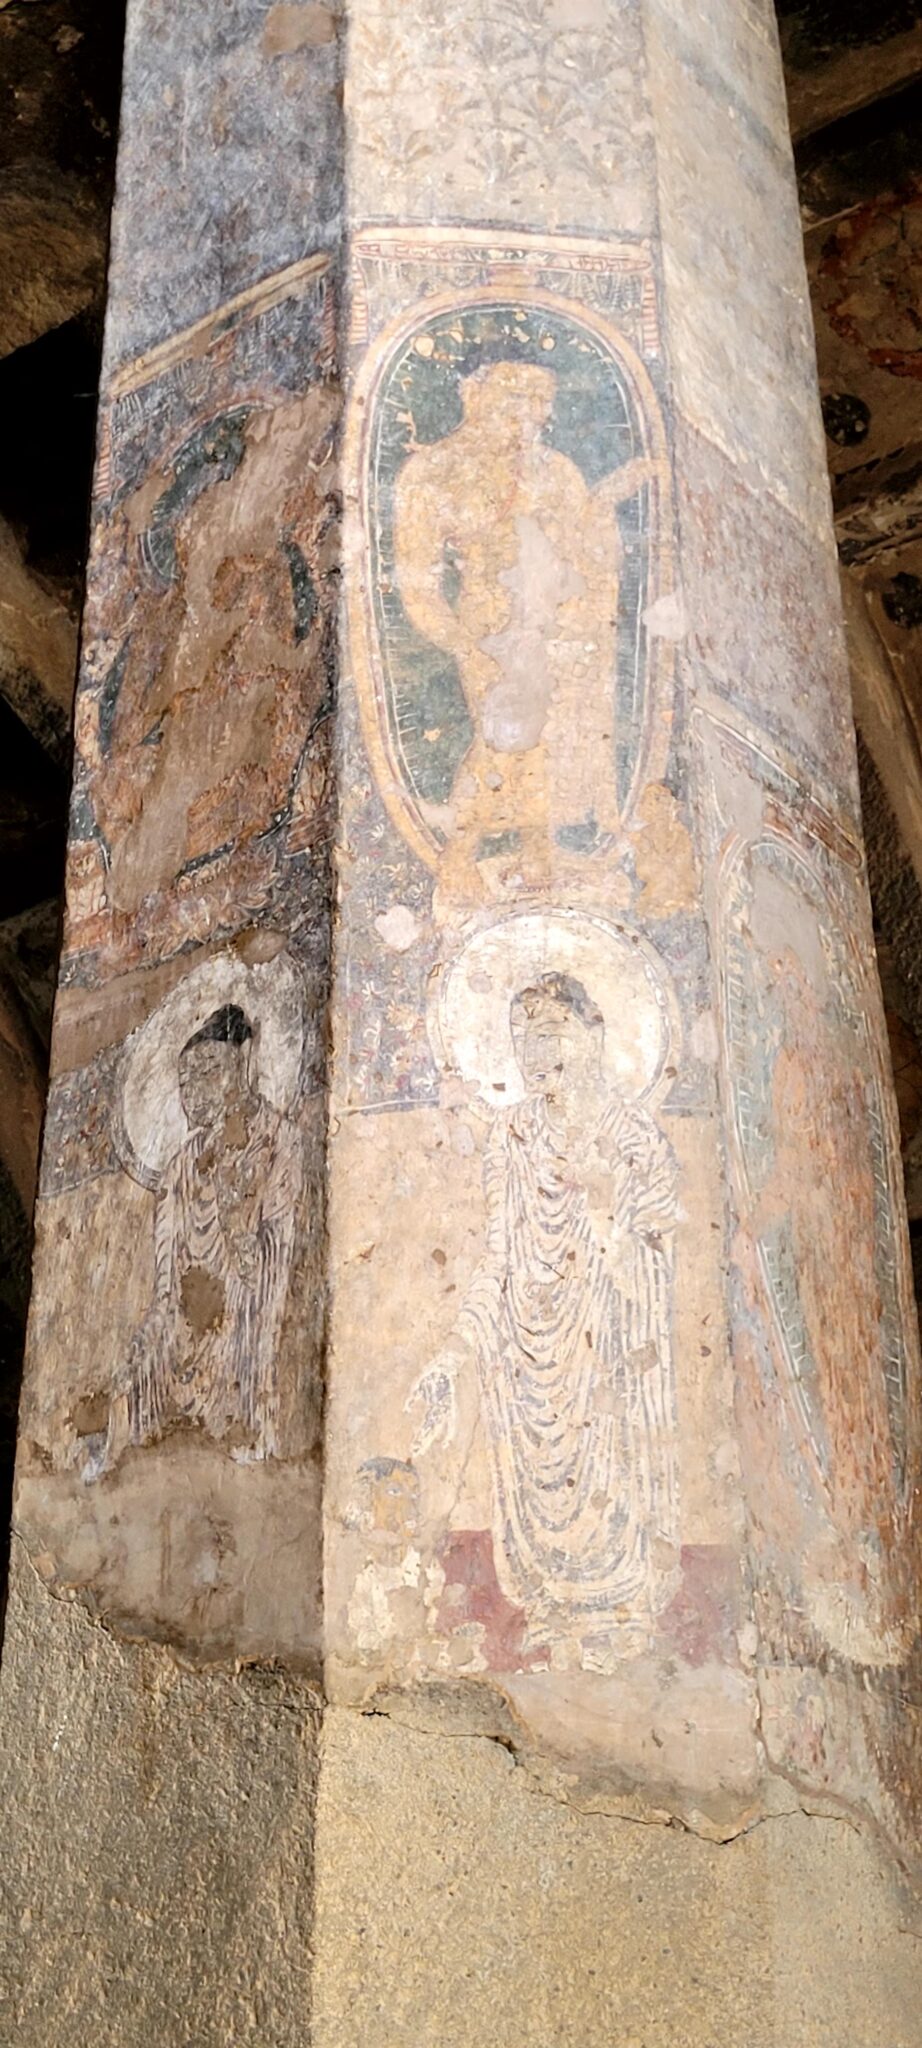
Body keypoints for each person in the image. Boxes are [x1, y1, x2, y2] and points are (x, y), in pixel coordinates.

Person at [407, 970, 678, 1661]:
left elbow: (656, 1252)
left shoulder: (632, 1134)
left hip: (610, 1350)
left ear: (592, 1038)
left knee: (607, 1478)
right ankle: (553, 1610)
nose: (532, 1052)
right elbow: (497, 1256)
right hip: (528, 1358)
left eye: (549, 1034)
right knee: (536, 1501)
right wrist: (454, 1353)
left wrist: (606, 1203)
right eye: (520, 1037)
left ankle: (619, 1617)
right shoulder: (513, 1134)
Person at [392, 361, 662, 897]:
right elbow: (418, 582)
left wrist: (605, 502)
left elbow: (581, 547)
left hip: (555, 622)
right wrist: (463, 646)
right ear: (482, 401)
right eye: (520, 403)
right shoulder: (434, 473)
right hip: (491, 625)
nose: (533, 419)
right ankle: (459, 857)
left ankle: (539, 855)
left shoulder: (554, 470)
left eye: (541, 407)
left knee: (550, 742)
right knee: (502, 737)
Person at [95, 1003, 302, 1472]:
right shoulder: (180, 1169)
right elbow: (167, 1289)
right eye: (185, 1080)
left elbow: (272, 1268)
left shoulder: (279, 1141)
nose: (194, 1090)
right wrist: (141, 1346)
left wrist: (232, 1200)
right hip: (184, 1335)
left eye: (208, 1069)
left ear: (244, 1060)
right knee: (144, 1378)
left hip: (244, 1333)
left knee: (242, 1361)